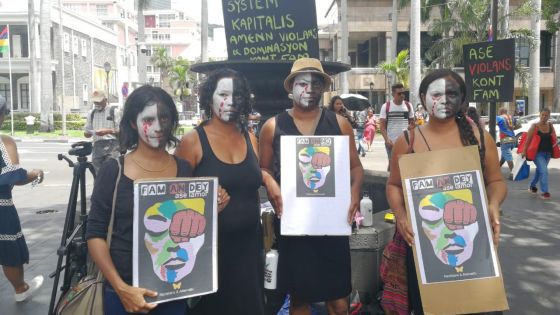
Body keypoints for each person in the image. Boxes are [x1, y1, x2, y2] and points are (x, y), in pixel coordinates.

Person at [86, 85, 229, 314]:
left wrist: (214, 206)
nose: (158, 127)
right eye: (148, 119)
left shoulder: (183, 169)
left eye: (164, 118)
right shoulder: (114, 170)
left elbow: (192, 227)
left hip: (173, 292)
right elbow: (94, 234)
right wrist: (122, 288)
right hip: (122, 295)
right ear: (133, 122)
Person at [385, 69, 506, 314]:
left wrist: (493, 204)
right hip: (424, 249)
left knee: (474, 308)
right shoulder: (407, 141)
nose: (444, 100)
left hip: (474, 248)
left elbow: (496, 181)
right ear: (422, 97)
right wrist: (400, 215)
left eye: (452, 93)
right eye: (436, 93)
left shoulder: (480, 139)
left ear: (462, 99)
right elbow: (394, 184)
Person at [259, 58, 364, 315]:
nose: (309, 89)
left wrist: (354, 196)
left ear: (322, 89)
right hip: (294, 224)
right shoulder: (273, 126)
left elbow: (355, 167)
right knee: (299, 300)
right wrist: (270, 183)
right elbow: (262, 168)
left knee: (339, 303)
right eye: (302, 83)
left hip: (332, 224)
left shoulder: (340, 124)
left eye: (315, 84)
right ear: (291, 87)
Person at [175, 68, 277, 315]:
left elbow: (251, 187)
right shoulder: (193, 141)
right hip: (209, 255)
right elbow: (174, 200)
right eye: (223, 94)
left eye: (238, 96)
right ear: (209, 97)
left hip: (249, 251)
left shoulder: (250, 138)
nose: (230, 102)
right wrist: (204, 201)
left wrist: (267, 179)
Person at [0, 95, 45, 303]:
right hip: (2, 208)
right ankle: (21, 288)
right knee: (9, 252)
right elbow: (14, 177)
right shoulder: (5, 142)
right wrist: (35, 173)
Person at [522, 108, 556, 200]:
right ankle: (545, 192)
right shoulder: (535, 126)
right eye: (542, 115)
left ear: (549, 116)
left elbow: (553, 138)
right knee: (544, 171)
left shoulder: (550, 125)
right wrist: (524, 150)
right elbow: (528, 139)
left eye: (546, 115)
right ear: (539, 115)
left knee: (540, 171)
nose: (544, 117)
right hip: (537, 153)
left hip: (548, 153)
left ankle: (532, 186)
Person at [379, 83, 415, 169]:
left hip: (405, 141)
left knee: (405, 165)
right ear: (393, 94)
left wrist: (411, 127)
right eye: (399, 93)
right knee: (392, 165)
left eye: (403, 93)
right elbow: (382, 127)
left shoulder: (408, 105)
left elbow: (412, 123)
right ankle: (389, 181)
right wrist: (387, 140)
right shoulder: (386, 106)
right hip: (391, 142)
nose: (402, 95)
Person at [84, 90, 120, 173]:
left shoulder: (114, 111)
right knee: (98, 174)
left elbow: (121, 130)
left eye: (99, 101)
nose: (96, 104)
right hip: (97, 145)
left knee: (111, 172)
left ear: (105, 100)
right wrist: (89, 132)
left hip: (112, 145)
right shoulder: (91, 113)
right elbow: (86, 134)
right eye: (95, 102)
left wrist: (108, 131)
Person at [496, 107, 517, 179]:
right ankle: (496, 171)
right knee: (503, 157)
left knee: (508, 156)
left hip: (505, 139)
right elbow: (517, 126)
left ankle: (514, 173)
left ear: (501, 112)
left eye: (498, 111)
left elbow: (491, 122)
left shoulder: (499, 117)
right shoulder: (511, 117)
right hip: (513, 139)